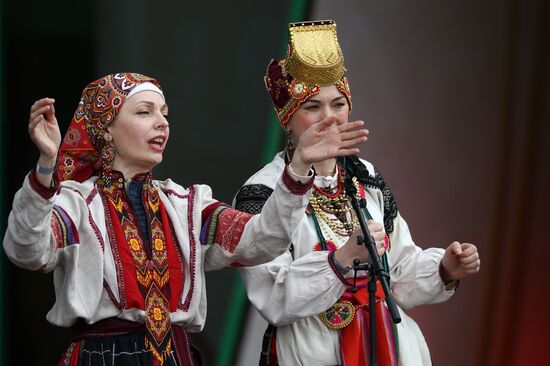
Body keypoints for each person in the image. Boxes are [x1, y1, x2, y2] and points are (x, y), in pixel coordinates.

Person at [3, 72, 369, 365]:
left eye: (165, 114)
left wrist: (299, 167)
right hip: (101, 356)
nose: (161, 123)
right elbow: (28, 251)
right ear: (106, 129)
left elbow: (262, 240)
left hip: (176, 355)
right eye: (145, 112)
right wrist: (46, 168)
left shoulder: (187, 204)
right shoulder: (77, 204)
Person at [234, 21, 481, 366]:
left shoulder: (366, 177)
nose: (330, 119)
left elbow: (397, 271)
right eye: (312, 108)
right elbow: (274, 297)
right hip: (311, 350)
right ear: (288, 120)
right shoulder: (260, 192)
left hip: (386, 347)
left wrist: (443, 268)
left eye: (338, 104)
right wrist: (341, 259)